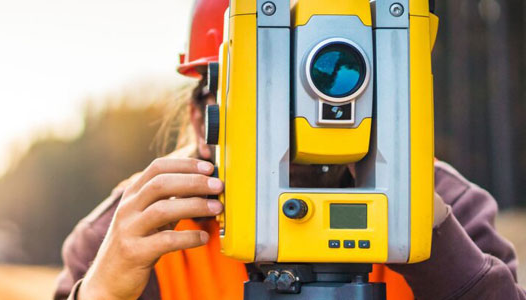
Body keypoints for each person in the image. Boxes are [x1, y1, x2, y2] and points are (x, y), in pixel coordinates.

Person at [53, 0, 526, 299]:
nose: (299, 119)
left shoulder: (448, 210)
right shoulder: (132, 231)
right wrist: (103, 289)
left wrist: (439, 250)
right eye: (265, 95)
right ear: (203, 119)